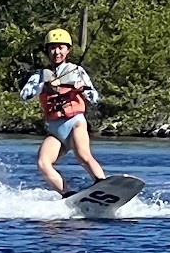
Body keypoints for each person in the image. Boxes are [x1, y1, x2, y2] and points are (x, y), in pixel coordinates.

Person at [20, 28, 106, 197]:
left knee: (82, 154)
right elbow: (24, 95)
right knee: (43, 162)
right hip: (55, 129)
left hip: (75, 123)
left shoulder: (77, 71)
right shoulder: (40, 75)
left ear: (68, 50)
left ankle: (102, 183)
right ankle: (68, 194)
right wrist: (44, 86)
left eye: (61, 48)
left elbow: (95, 98)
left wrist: (83, 88)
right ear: (47, 51)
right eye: (53, 48)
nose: (57, 52)